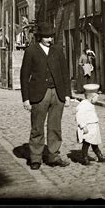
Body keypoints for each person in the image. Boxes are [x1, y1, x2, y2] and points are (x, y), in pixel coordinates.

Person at [20, 22, 72, 170]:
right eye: (46, 37)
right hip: (38, 95)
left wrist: (67, 95)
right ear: (40, 37)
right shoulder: (31, 51)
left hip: (57, 94)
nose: (49, 39)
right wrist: (26, 98)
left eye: (51, 36)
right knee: (37, 127)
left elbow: (64, 73)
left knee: (55, 127)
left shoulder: (57, 51)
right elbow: (24, 76)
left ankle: (53, 156)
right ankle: (35, 158)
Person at [76, 83, 105, 165]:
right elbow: (79, 116)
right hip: (87, 127)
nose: (97, 100)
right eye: (96, 98)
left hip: (93, 127)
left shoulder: (90, 104)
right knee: (87, 143)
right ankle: (85, 158)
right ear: (91, 97)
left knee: (94, 142)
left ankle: (100, 156)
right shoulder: (83, 105)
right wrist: (83, 126)